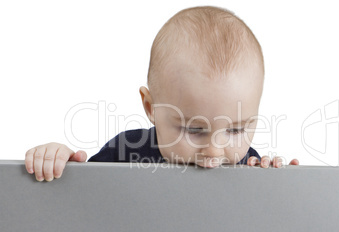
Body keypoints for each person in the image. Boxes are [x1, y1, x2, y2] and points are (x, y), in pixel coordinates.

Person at [25, 6, 299, 182]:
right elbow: (83, 201)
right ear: (150, 106)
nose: (215, 151)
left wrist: (276, 183)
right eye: (194, 129)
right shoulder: (125, 152)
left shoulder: (247, 163)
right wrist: (62, 163)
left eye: (237, 130)